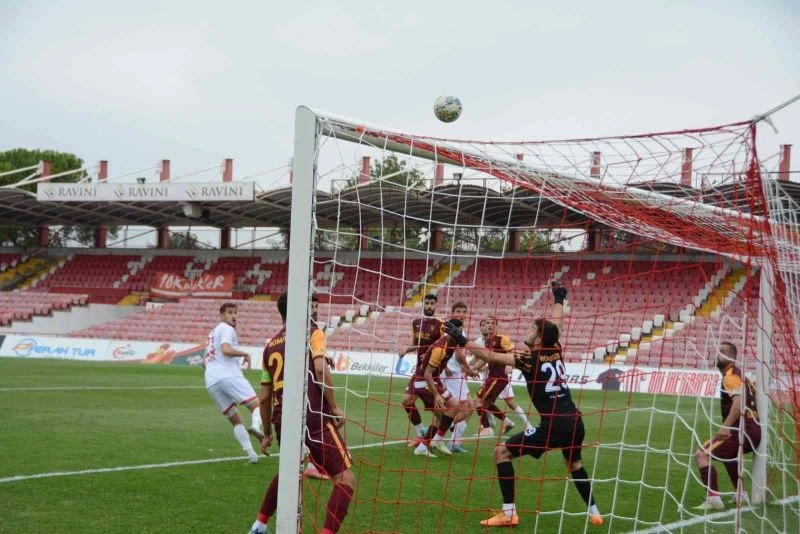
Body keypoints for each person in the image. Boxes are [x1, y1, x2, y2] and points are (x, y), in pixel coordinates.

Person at [447, 282, 603, 527]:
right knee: (574, 464)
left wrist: (461, 339)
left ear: (539, 339)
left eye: (533, 329)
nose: (529, 330)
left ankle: (509, 513)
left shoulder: (529, 359)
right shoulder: (556, 348)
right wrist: (559, 298)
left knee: (501, 452)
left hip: (554, 425)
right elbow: (557, 325)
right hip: (575, 421)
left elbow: (488, 356)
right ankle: (595, 512)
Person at [250, 294, 355, 534]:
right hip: (313, 416)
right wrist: (335, 406)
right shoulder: (313, 332)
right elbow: (320, 369)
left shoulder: (270, 346)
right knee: (345, 480)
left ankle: (259, 525)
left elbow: (264, 398)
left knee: (290, 470)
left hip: (282, 419)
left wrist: (266, 433)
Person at [693, 342, 761, 511]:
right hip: (753, 428)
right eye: (717, 351)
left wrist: (726, 426)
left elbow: (739, 402)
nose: (718, 354)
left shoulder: (730, 376)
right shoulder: (739, 375)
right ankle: (740, 494)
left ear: (731, 356)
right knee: (728, 456)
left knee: (701, 454)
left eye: (722, 352)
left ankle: (714, 499)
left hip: (743, 428)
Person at [203, 302, 262, 463]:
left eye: (235, 313)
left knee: (235, 420)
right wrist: (245, 354)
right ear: (222, 315)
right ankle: (256, 427)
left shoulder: (211, 333)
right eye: (230, 312)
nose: (234, 316)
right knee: (257, 404)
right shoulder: (226, 328)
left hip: (211, 380)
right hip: (228, 374)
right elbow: (226, 350)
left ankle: (251, 455)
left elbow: (204, 361)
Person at [399, 293, 443, 444]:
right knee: (406, 401)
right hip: (419, 371)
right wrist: (406, 350)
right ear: (423, 304)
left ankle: (438, 439)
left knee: (440, 413)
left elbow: (445, 347)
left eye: (432, 303)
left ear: (436, 305)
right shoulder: (416, 323)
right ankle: (421, 431)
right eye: (427, 303)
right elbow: (415, 344)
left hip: (432, 372)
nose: (429, 306)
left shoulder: (440, 324)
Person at [442, 302, 477, 452]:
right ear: (452, 312)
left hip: (457, 374)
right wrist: (466, 368)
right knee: (463, 409)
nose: (461, 314)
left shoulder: (461, 332)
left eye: (464, 311)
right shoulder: (450, 330)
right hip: (450, 374)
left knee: (471, 407)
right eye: (458, 311)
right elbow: (457, 353)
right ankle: (437, 434)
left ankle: (453, 441)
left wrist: (464, 369)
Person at [474, 316, 514, 438]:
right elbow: (486, 358)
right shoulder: (487, 341)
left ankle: (487, 429)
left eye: (492, 323)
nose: (489, 325)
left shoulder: (502, 339)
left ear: (497, 325)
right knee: (486, 403)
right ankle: (507, 423)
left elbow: (512, 352)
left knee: (477, 402)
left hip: (498, 377)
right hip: (492, 377)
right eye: (487, 323)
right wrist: (473, 368)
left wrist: (509, 365)